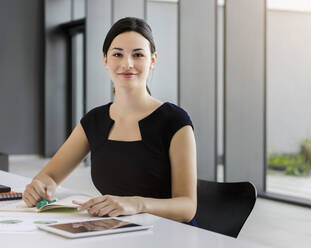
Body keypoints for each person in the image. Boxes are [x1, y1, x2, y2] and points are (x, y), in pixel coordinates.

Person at [22, 17, 197, 225]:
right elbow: (49, 177)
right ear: (105, 60)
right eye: (117, 54)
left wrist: (137, 204)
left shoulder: (174, 121)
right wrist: (40, 186)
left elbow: (187, 207)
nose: (127, 64)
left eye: (138, 54)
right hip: (116, 232)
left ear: (153, 60)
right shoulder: (94, 121)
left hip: (170, 236)